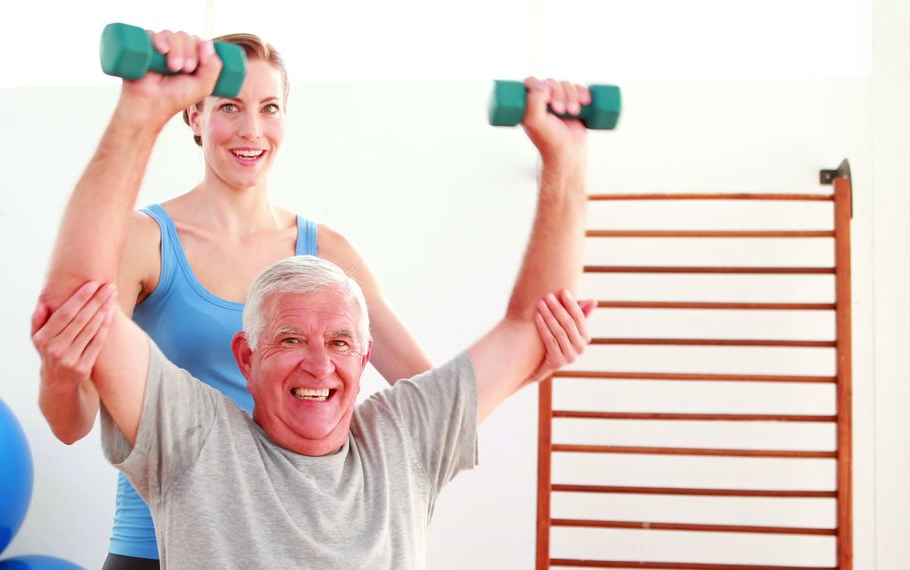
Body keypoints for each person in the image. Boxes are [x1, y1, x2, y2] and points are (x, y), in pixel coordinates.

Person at [31, 29, 594, 568]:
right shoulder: (143, 243)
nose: (251, 128)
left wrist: (531, 354)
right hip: (174, 519)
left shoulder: (327, 253)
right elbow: (74, 404)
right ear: (194, 115)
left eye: (269, 107)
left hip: (310, 510)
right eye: (228, 105)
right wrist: (60, 376)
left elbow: (433, 394)